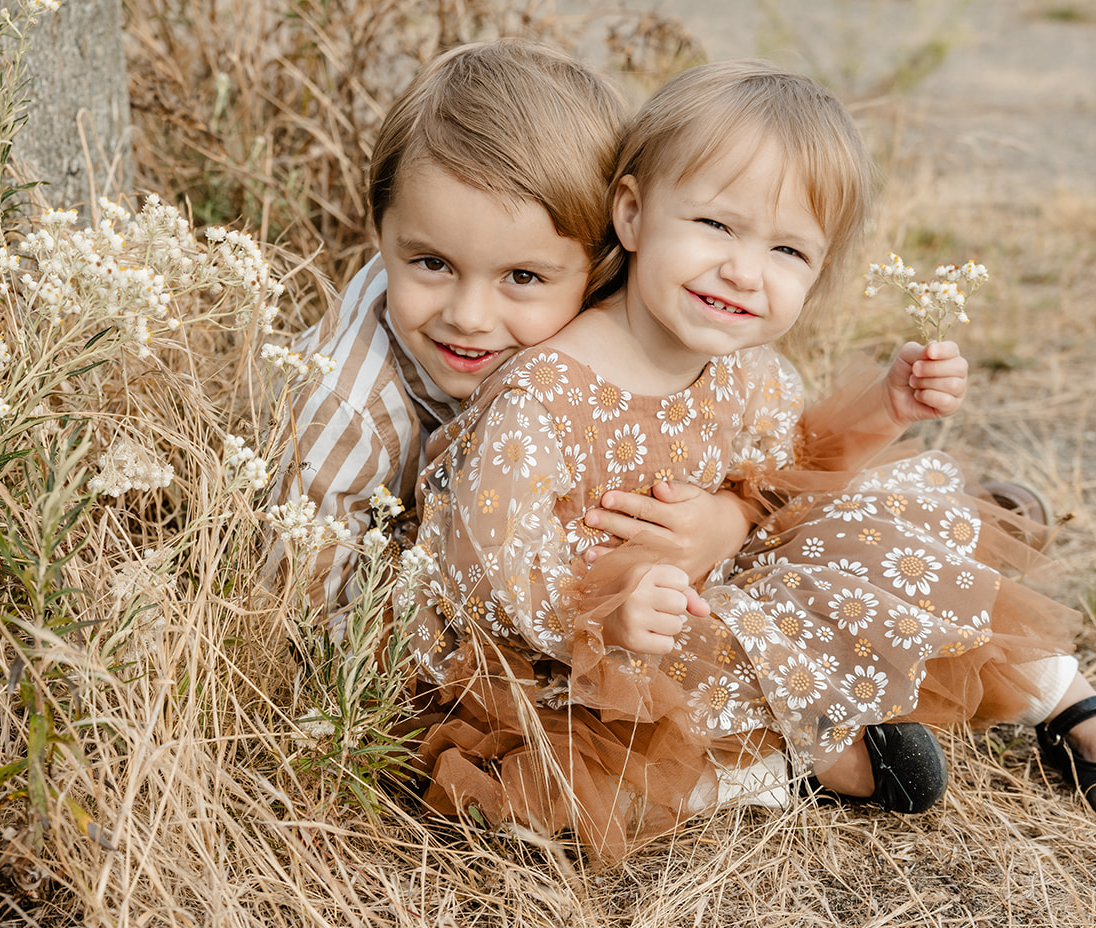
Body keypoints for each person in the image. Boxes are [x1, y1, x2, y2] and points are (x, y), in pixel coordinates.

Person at [400, 60, 1096, 860]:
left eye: (787, 250)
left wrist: (885, 408)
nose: (744, 270)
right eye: (715, 226)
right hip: (568, 658)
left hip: (707, 604)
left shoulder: (748, 372)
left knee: (881, 539)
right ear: (634, 213)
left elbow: (786, 478)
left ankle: (1066, 697)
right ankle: (783, 766)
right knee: (558, 787)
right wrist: (606, 621)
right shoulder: (544, 394)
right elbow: (484, 571)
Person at [274, 39, 752, 627]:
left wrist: (725, 522)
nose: (469, 316)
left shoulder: (623, 318)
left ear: (604, 261)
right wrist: (536, 595)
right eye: (431, 263)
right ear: (383, 232)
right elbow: (297, 607)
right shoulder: (348, 411)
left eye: (521, 276)